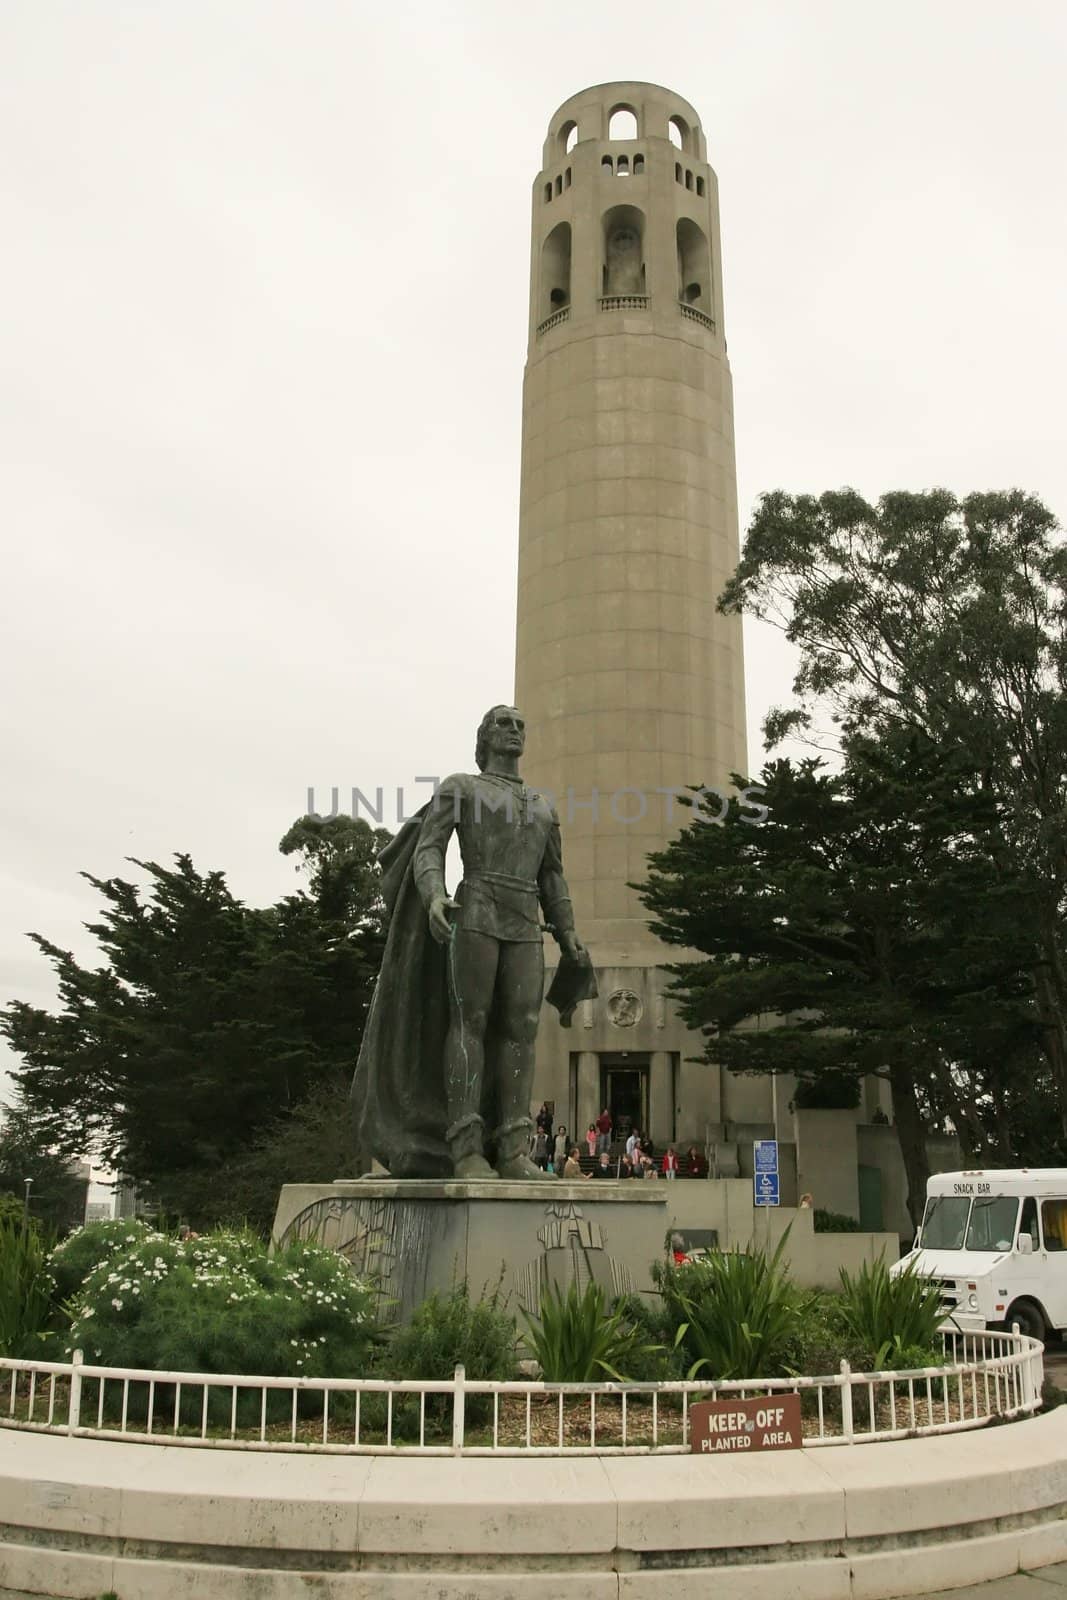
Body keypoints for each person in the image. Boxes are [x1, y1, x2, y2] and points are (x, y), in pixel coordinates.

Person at [351, 703, 594, 1179]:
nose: (515, 731)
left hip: (525, 921)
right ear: (484, 737)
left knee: (522, 1026)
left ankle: (513, 1150)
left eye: (521, 725)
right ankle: (464, 1148)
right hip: (477, 910)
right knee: (471, 1022)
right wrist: (434, 895)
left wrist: (567, 932)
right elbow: (429, 848)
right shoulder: (461, 787)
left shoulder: (543, 806)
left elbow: (553, 877)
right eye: (503, 724)